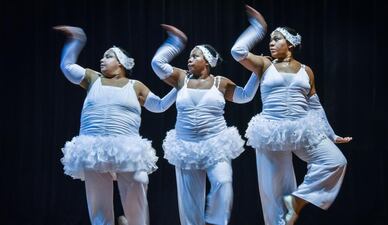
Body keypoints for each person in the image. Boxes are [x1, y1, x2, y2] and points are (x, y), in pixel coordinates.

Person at [230, 5, 352, 225]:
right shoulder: (265, 65)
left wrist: (332, 136)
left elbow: (315, 106)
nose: (271, 43)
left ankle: (296, 201)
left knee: (336, 161)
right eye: (270, 39)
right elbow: (237, 51)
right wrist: (258, 29)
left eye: (277, 39)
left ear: (291, 44)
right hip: (272, 129)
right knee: (273, 191)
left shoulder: (307, 70)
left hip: (301, 128)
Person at [54, 25, 177, 225]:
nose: (102, 59)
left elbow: (160, 106)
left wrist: (178, 88)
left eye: (108, 56)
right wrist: (76, 40)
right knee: (99, 207)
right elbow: (67, 67)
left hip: (126, 147)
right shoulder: (93, 79)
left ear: (121, 63)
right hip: (93, 147)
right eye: (103, 56)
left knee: (137, 188)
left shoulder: (135, 85)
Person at [150, 24, 260, 225]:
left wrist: (257, 72)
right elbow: (157, 63)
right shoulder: (181, 78)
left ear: (207, 62)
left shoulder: (220, 82)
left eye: (195, 56)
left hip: (215, 143)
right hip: (186, 145)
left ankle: (217, 221)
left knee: (223, 182)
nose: (189, 59)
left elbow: (245, 96)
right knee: (190, 203)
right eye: (189, 55)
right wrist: (175, 43)